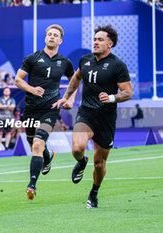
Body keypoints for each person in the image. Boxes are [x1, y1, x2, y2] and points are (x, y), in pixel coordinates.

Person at [53, 25, 132, 208]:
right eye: (95, 39)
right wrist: (66, 96)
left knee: (99, 164)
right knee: (77, 148)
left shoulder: (117, 65)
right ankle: (81, 162)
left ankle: (94, 192)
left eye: (100, 40)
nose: (95, 42)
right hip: (86, 112)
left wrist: (112, 97)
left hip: (106, 118)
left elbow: (127, 92)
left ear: (110, 44)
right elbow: (76, 78)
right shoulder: (85, 60)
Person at [14, 24, 75, 200]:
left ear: (60, 40)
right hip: (31, 107)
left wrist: (69, 99)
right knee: (34, 143)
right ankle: (48, 156)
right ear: (45, 38)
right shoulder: (32, 58)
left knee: (38, 143)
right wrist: (32, 89)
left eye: (55, 35)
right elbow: (18, 79)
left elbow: (74, 82)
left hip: (51, 109)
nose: (52, 37)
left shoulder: (65, 62)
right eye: (49, 34)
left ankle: (31, 186)